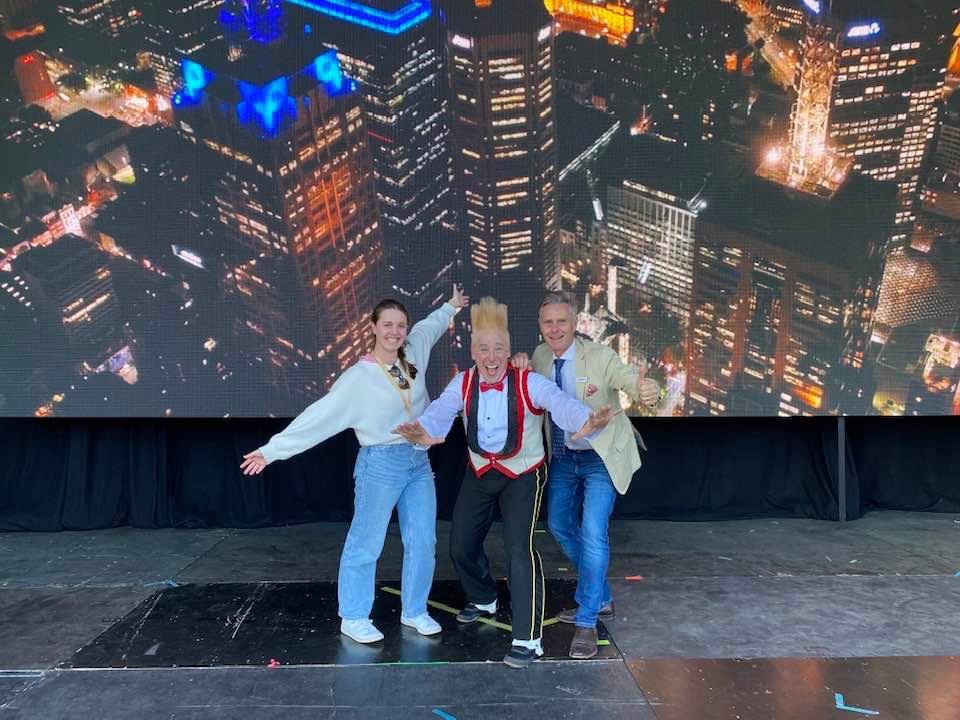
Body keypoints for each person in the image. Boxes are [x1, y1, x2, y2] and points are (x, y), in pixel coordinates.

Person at [393, 297, 617, 668]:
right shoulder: (462, 382)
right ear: (473, 351)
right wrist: (423, 431)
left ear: (511, 351)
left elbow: (560, 402)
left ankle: (528, 640)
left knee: (519, 550)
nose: (491, 356)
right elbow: (439, 414)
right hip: (481, 472)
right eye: (484, 348)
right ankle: (483, 597)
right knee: (460, 544)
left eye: (499, 348)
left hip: (524, 474)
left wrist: (585, 421)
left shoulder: (530, 380)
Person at [239, 286, 469, 644]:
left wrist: (451, 307)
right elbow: (317, 417)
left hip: (417, 461)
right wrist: (271, 451)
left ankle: (414, 611)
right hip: (380, 464)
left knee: (423, 539)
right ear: (373, 327)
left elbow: (429, 328)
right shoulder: (357, 378)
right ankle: (354, 615)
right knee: (367, 541)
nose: (395, 332)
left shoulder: (413, 351)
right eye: (388, 325)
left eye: (400, 326)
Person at [512, 291, 660, 660]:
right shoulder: (540, 357)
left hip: (600, 458)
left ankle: (587, 620)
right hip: (563, 458)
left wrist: (648, 391)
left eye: (562, 321)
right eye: (548, 322)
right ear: (540, 326)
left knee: (594, 532)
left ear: (575, 323)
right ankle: (601, 596)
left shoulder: (601, 356)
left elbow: (630, 382)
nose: (555, 328)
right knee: (561, 527)